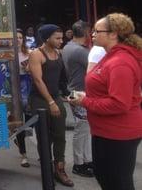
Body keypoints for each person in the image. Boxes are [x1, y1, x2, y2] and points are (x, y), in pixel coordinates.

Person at [70, 13, 142, 190]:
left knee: (118, 182)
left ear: (113, 34)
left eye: (97, 31)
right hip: (105, 131)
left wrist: (85, 101)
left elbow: (119, 104)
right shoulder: (110, 56)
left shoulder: (120, 62)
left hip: (118, 133)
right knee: (105, 176)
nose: (92, 34)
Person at [28, 24, 73, 187]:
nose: (61, 41)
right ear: (47, 38)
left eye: (62, 38)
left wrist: (67, 95)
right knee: (44, 137)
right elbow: (38, 81)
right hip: (40, 100)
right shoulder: (36, 54)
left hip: (55, 97)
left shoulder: (58, 53)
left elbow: (62, 79)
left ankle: (59, 168)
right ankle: (46, 169)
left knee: (60, 135)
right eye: (58, 38)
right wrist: (51, 102)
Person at [62, 20, 94, 178]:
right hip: (81, 92)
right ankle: (79, 164)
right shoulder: (81, 51)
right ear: (87, 32)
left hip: (74, 90)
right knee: (82, 129)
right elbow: (97, 68)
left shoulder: (68, 47)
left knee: (85, 129)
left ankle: (86, 160)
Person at [15, 29, 32, 167]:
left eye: (20, 37)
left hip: (28, 84)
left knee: (31, 119)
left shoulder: (29, 53)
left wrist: (29, 69)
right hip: (14, 86)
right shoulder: (8, 54)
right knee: (19, 120)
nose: (18, 39)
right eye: (16, 37)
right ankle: (24, 154)